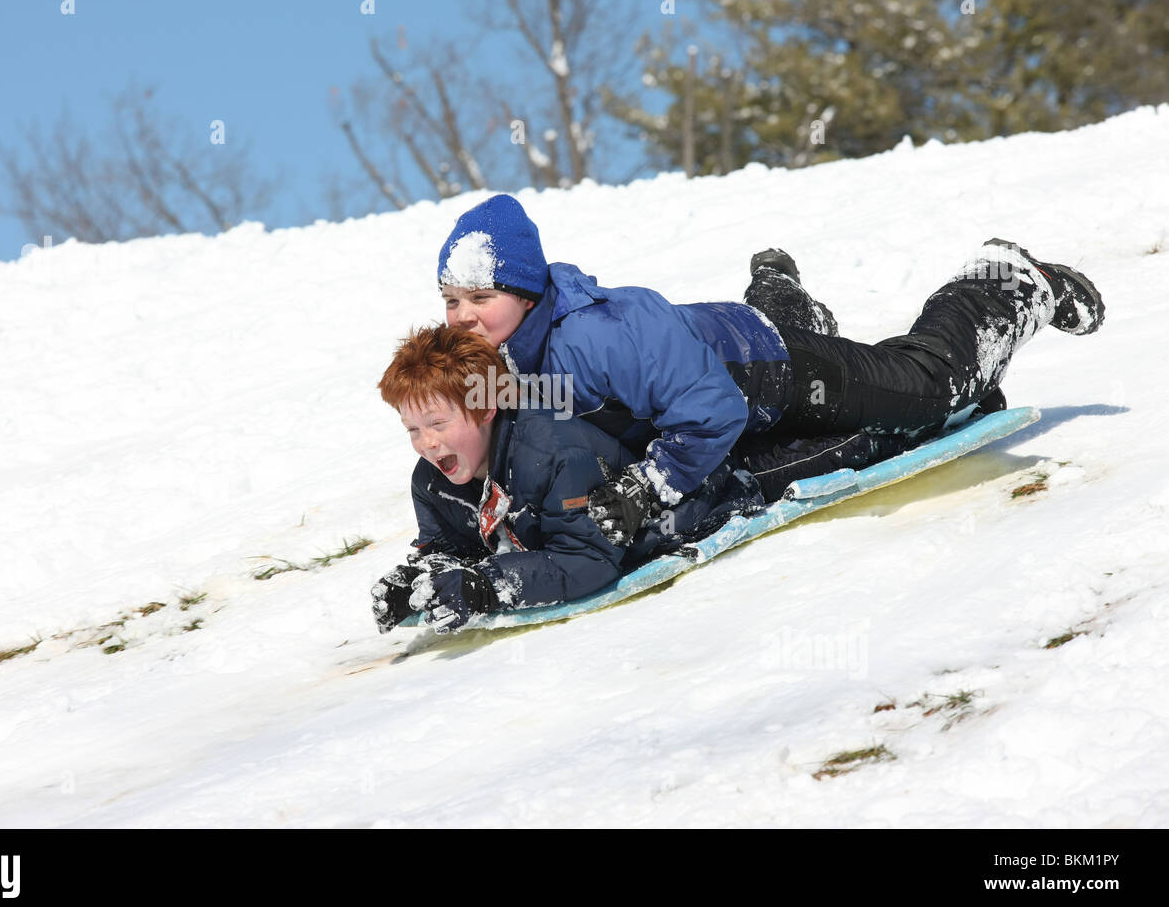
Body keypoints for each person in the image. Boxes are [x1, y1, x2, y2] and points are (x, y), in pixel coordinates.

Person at [436, 194, 1105, 539]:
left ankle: (1002, 281)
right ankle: (780, 289)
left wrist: (652, 486)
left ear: (526, 295)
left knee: (926, 385)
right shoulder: (500, 360)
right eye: (451, 300)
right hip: (724, 345)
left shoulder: (600, 337)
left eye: (480, 298)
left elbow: (714, 410)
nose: (462, 315)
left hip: (772, 372)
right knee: (773, 332)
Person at [371, 325, 762, 634]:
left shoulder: (555, 456)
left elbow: (589, 559)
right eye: (413, 429)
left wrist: (489, 587)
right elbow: (453, 546)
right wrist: (420, 580)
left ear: (486, 407)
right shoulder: (433, 480)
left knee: (806, 438)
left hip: (714, 482)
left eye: (437, 423)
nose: (426, 443)